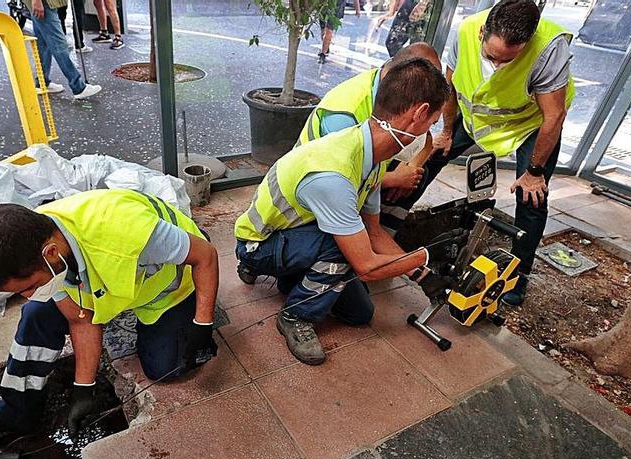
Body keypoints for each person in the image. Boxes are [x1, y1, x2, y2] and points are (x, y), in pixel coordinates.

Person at [0, 189, 220, 456]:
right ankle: (13, 415)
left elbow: (206, 255)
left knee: (167, 367)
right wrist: (83, 390)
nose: (27, 296)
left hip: (172, 283)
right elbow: (80, 320)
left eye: (28, 287)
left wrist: (202, 323)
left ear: (51, 253)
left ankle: (180, 310)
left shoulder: (126, 233)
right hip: (120, 282)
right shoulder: (39, 240)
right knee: (37, 314)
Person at [234, 58, 460, 365]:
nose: (431, 134)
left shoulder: (372, 153)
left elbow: (375, 232)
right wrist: (426, 255)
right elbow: (366, 264)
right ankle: (295, 316)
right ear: (419, 113)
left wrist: (420, 273)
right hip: (257, 243)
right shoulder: (335, 174)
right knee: (346, 253)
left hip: (298, 231)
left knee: (359, 314)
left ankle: (293, 277)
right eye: (432, 122)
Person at [387, 0, 574, 306]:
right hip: (479, 118)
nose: (499, 66)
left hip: (528, 124)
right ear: (483, 34)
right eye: (493, 57)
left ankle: (518, 274)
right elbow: (450, 86)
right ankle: (389, 224)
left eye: (508, 61)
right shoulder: (466, 30)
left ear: (526, 43)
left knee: (532, 198)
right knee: (431, 157)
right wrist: (446, 133)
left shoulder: (549, 48)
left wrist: (535, 173)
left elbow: (553, 116)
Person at [297, 42, 441, 208]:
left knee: (418, 176)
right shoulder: (345, 115)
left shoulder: (394, 89)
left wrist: (411, 167)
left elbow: (427, 139)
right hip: (316, 194)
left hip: (366, 175)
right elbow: (335, 180)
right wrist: (394, 178)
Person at [29, 0, 101, 98]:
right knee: (58, 44)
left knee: (44, 43)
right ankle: (78, 87)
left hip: (44, 3)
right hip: (45, 2)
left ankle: (42, 82)